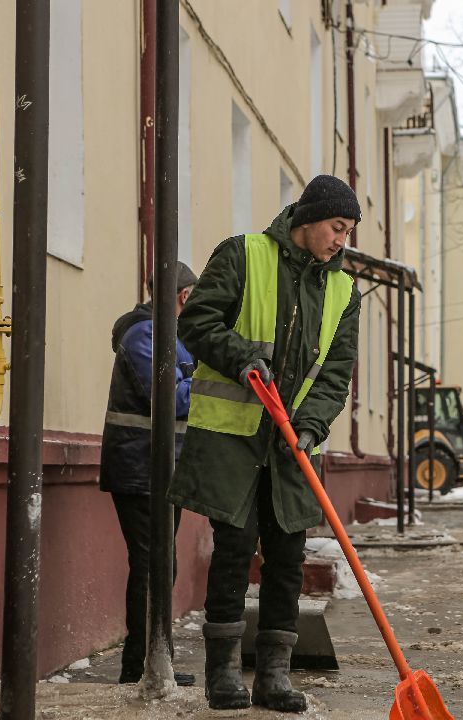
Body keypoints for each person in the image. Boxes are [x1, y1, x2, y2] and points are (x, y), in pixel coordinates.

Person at [168, 175, 361, 712]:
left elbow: (336, 371)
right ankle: (222, 672)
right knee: (233, 550)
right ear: (308, 219)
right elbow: (198, 321)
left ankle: (274, 675)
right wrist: (242, 357)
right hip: (233, 437)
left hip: (294, 444)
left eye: (348, 231)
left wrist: (312, 425)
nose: (341, 240)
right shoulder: (242, 255)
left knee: (287, 557)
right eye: (336, 227)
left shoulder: (343, 290)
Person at [99, 261, 197, 686]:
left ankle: (158, 663)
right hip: (140, 469)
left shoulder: (169, 337)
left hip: (159, 470)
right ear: (185, 296)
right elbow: (172, 400)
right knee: (151, 566)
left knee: (162, 565)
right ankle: (139, 668)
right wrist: (210, 379)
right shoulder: (145, 335)